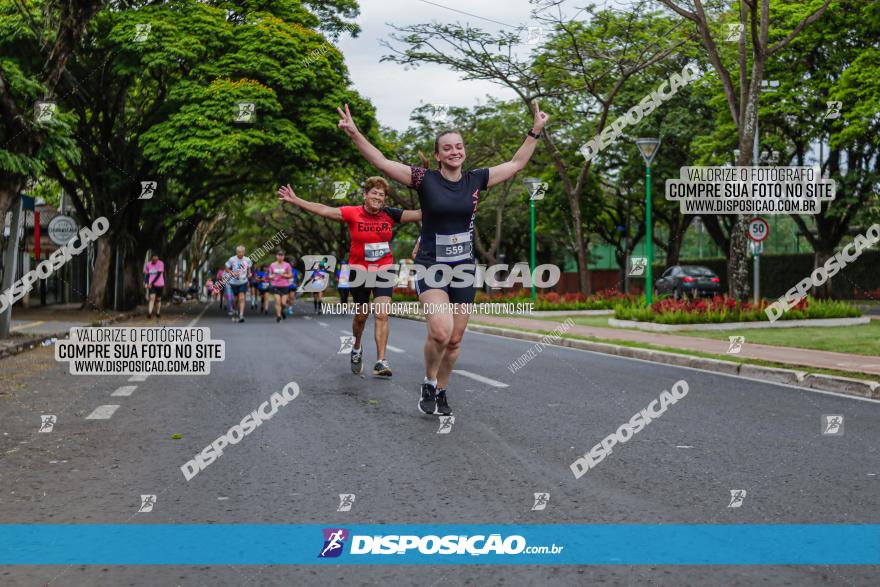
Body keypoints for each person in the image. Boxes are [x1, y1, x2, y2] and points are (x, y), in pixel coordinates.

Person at [337, 101, 549, 414]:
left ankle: (441, 389)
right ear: (438, 155)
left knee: (454, 340)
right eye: (447, 148)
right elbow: (381, 162)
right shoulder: (426, 180)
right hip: (431, 265)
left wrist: (535, 130)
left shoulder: (475, 179)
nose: (454, 151)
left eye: (459, 147)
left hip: (463, 268)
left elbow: (516, 164)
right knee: (440, 331)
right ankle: (428, 380)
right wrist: (354, 133)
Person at [279, 177, 421, 376]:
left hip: (384, 269)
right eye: (374, 193)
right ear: (365, 195)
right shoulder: (352, 213)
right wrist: (297, 200)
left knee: (381, 314)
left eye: (382, 195)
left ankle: (381, 361)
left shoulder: (390, 214)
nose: (378, 197)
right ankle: (356, 347)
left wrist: (440, 193)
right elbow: (323, 209)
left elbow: (420, 214)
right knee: (361, 316)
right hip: (359, 271)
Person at [225, 245, 253, 323]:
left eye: (242, 252)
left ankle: (241, 315)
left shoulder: (247, 260)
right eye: (239, 252)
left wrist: (249, 274)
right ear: (236, 252)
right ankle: (234, 310)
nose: (240, 253)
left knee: (241, 298)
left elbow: (249, 269)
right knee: (235, 299)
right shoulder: (232, 259)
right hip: (233, 282)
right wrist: (232, 273)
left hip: (243, 282)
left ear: (244, 252)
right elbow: (226, 268)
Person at [268, 251, 293, 322]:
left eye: (282, 255)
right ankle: (278, 316)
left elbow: (290, 275)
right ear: (276, 256)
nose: (280, 257)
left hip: (284, 286)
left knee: (283, 303)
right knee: (277, 301)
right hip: (275, 285)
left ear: (284, 257)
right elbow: (269, 276)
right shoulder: (272, 265)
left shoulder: (287, 265)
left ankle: (282, 311)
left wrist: (284, 275)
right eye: (279, 255)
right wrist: (272, 276)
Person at [143, 253, 164, 320]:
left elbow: (158, 275)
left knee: (158, 299)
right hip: (151, 285)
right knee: (152, 298)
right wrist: (146, 282)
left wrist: (151, 283)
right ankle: (149, 313)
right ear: (151, 258)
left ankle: (158, 313)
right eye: (154, 259)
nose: (155, 260)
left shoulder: (160, 263)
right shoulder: (148, 264)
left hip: (160, 284)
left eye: (156, 259)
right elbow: (147, 274)